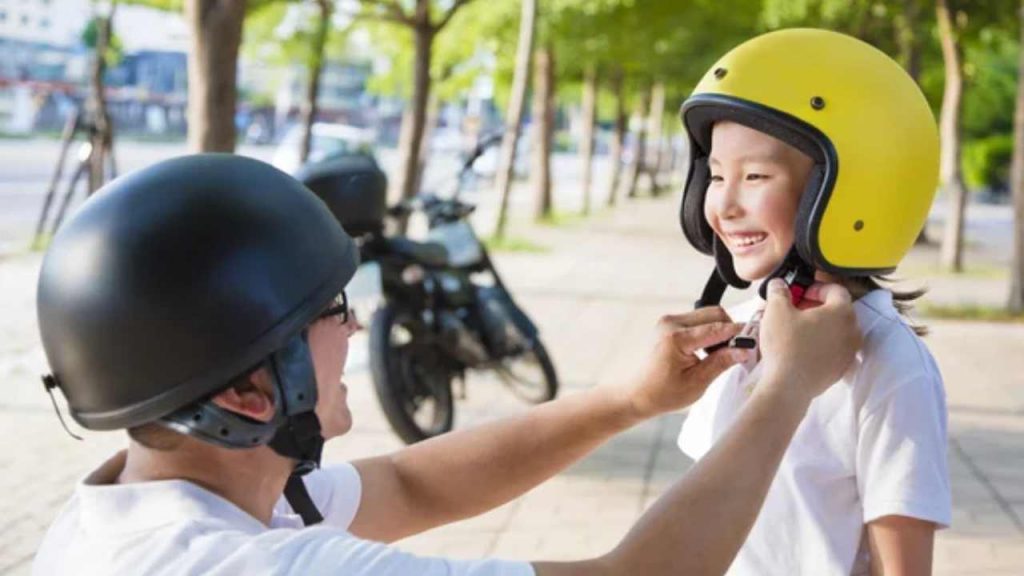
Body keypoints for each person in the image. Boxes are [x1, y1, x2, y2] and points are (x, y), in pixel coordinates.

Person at [33, 153, 860, 576]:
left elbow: (408, 485)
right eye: (332, 311)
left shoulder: (138, 511)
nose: (357, 331)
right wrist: (786, 388)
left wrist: (626, 400)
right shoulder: (251, 567)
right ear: (252, 391)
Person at [675, 28, 951, 575]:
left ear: (852, 192)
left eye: (755, 177)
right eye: (716, 175)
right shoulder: (737, 328)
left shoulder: (889, 367)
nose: (724, 203)